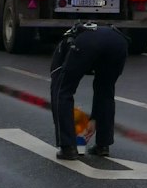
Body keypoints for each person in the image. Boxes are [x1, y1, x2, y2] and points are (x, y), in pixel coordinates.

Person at [49, 22, 129, 159]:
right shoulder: (77, 39)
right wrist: (94, 118)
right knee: (105, 90)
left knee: (62, 92)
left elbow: (58, 85)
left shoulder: (62, 50)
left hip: (88, 44)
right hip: (119, 42)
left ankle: (68, 147)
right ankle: (103, 145)